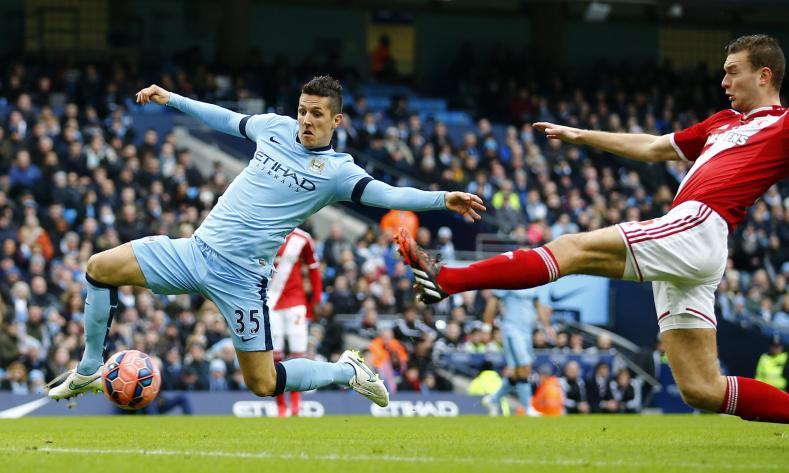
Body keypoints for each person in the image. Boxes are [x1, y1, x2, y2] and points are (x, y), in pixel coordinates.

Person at [397, 35, 789, 448]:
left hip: (699, 223)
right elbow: (654, 147)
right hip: (695, 250)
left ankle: (446, 281)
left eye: (732, 73)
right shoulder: (717, 124)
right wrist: (580, 134)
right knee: (702, 390)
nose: (724, 82)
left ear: (764, 73)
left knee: (568, 249)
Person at [47, 76, 486, 407]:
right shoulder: (273, 128)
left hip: (241, 281)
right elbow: (224, 118)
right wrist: (172, 99)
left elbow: (388, 194)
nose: (306, 121)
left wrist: (441, 198)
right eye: (302, 110)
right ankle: (88, 369)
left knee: (263, 383)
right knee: (98, 267)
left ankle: (345, 370)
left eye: (316, 114)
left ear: (336, 120)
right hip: (193, 252)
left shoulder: (338, 172)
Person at [269, 226, 323, 417]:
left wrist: (316, 299)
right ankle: (280, 405)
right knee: (275, 356)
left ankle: (296, 404)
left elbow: (314, 268)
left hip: (295, 303)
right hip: (271, 302)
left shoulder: (302, 238)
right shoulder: (265, 233)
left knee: (298, 354)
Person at [480, 287, 554, 416]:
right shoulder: (508, 279)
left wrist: (547, 327)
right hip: (511, 330)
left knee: (517, 372)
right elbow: (492, 302)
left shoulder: (534, 282)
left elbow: (538, 305)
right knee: (524, 367)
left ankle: (494, 399)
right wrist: (486, 327)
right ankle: (527, 408)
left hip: (527, 332)